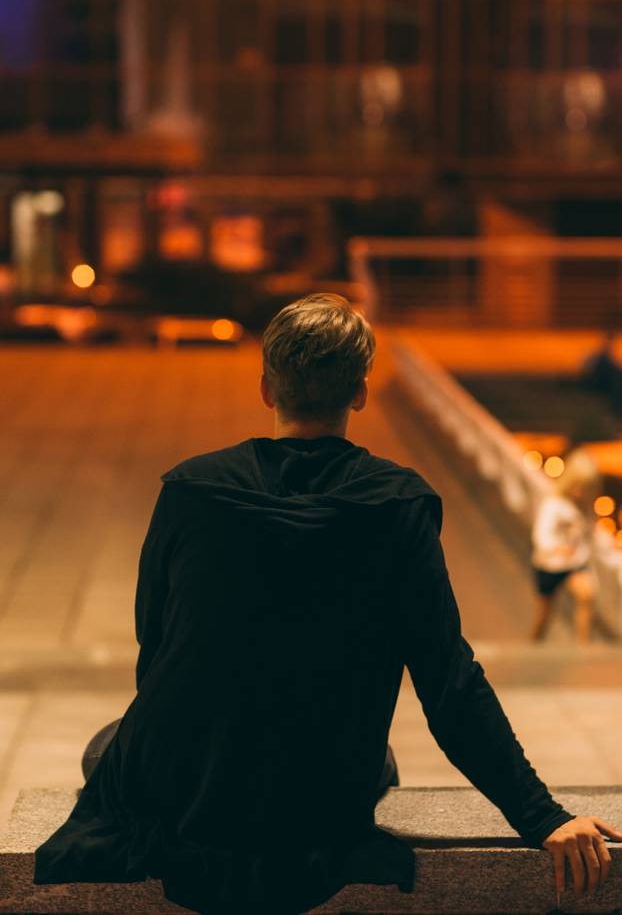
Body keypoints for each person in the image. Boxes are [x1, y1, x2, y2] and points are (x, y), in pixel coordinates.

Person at [34, 294, 621, 915]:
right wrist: (541, 816)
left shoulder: (190, 489)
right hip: (310, 798)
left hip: (191, 782)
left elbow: (153, 645)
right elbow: (450, 686)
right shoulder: (397, 505)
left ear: (267, 387)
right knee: (379, 762)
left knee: (106, 746)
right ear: (361, 392)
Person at [530, 448, 601, 644]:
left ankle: (584, 646)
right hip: (550, 564)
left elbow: (588, 534)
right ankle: (534, 645)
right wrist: (556, 548)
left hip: (574, 563)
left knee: (587, 594)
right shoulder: (553, 504)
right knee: (544, 614)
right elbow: (541, 535)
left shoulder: (585, 506)